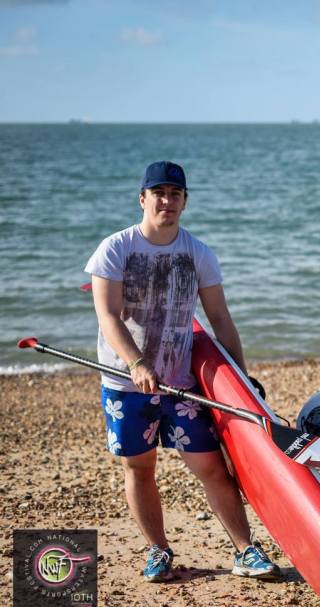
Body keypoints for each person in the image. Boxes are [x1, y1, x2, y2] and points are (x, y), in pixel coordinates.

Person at [85, 161, 281, 583]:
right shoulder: (115, 248)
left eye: (175, 194)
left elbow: (220, 318)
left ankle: (245, 550)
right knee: (139, 469)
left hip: (180, 385)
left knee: (211, 467)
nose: (167, 201)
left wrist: (241, 378)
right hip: (124, 383)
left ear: (185, 202)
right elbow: (108, 316)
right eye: (159, 193)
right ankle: (158, 549)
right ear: (142, 198)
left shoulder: (198, 253)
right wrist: (137, 364)